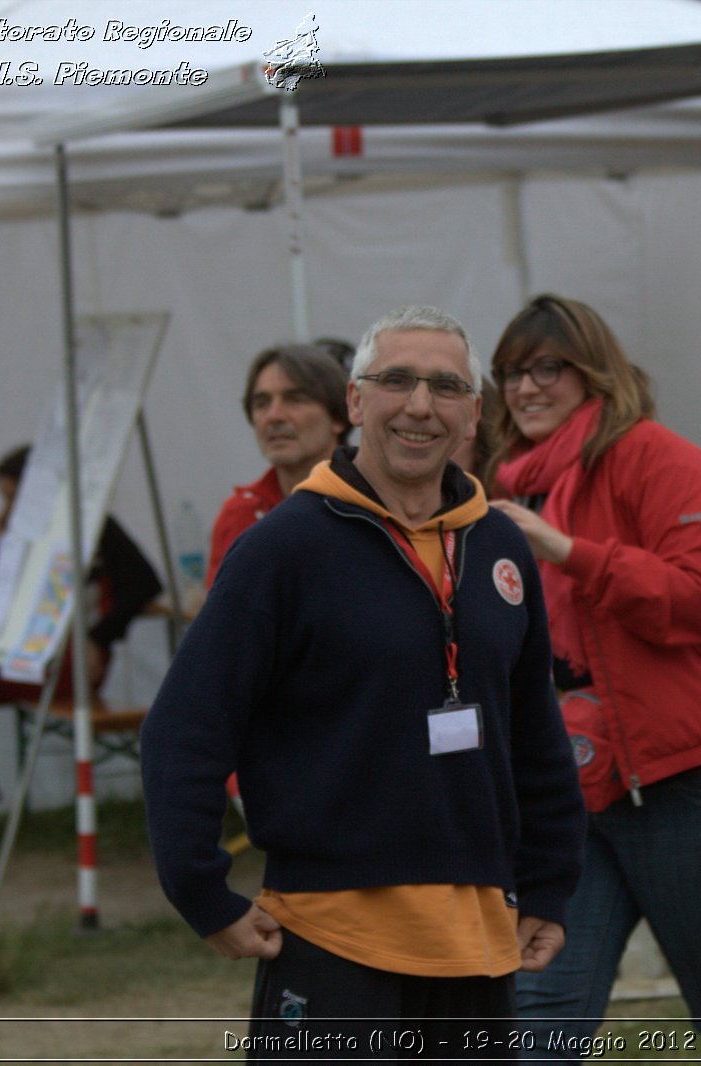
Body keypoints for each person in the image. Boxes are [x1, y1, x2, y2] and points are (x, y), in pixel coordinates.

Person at [141, 305, 586, 1057]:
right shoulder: (282, 549)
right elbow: (186, 726)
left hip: (478, 935)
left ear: (474, 414)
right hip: (330, 932)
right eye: (396, 381)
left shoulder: (500, 545)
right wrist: (200, 889)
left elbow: (535, 728)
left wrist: (548, 883)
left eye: (447, 386)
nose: (420, 405)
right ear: (355, 402)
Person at [482, 294, 701, 1060]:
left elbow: (700, 602)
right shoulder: (504, 482)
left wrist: (567, 551)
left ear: (594, 373)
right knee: (541, 1010)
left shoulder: (663, 461)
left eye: (546, 367)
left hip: (692, 780)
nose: (525, 389)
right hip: (573, 784)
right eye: (511, 373)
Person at [0, 443, 162, 846]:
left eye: (13, 499)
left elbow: (145, 582)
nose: (8, 510)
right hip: (23, 665)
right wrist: (0, 553)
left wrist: (99, 636)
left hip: (73, 666)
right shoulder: (17, 539)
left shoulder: (93, 528)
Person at [205, 344, 350, 588]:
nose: (274, 416)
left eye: (295, 399)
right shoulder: (239, 513)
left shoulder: (376, 506)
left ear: (337, 417)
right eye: (261, 403)